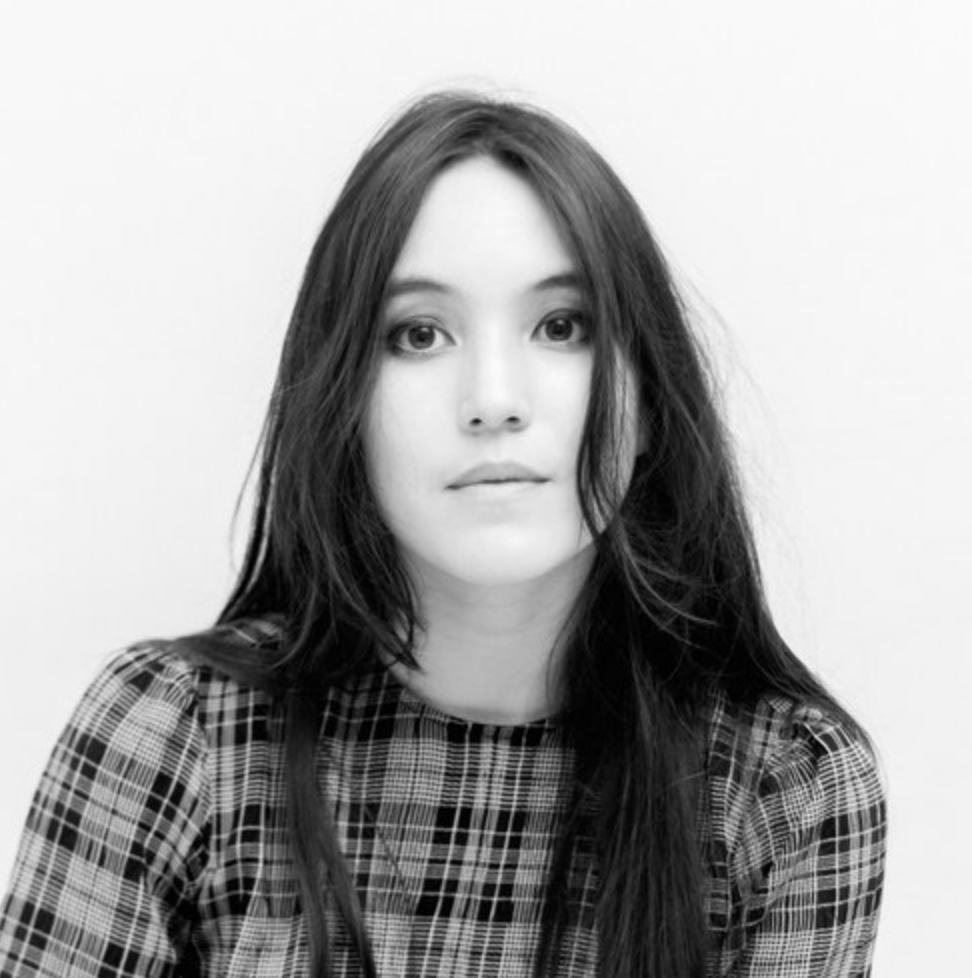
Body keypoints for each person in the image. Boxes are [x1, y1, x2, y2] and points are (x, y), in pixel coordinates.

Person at [0, 91, 886, 978]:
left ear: (650, 397)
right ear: (340, 405)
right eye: (420, 335)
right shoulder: (174, 731)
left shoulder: (784, 786)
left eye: (562, 327)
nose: (494, 400)